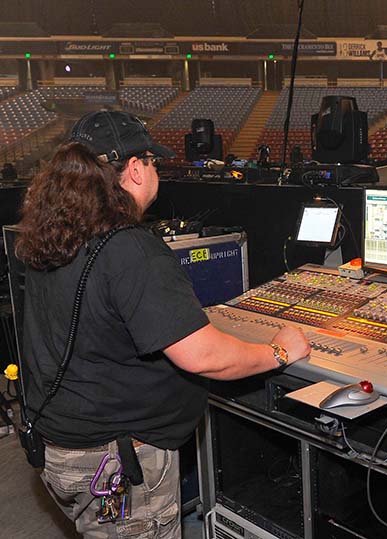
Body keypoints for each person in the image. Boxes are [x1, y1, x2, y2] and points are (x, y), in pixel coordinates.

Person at [15, 110, 310, 538]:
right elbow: (203, 356)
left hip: (61, 450)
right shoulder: (132, 250)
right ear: (134, 169)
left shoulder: (53, 236)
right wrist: (280, 350)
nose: (156, 170)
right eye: (152, 161)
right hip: (117, 460)